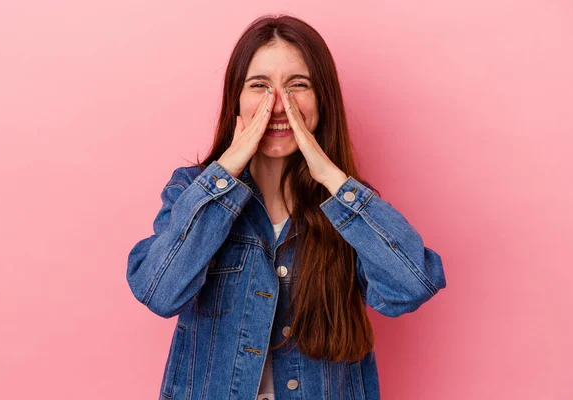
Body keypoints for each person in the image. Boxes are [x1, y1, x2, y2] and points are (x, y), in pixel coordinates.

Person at [126, 13, 447, 400]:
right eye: (259, 85)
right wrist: (226, 170)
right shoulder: (191, 190)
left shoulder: (351, 207)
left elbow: (412, 286)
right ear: (236, 100)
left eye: (298, 86)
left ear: (322, 101)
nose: (278, 104)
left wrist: (332, 177)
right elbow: (159, 292)